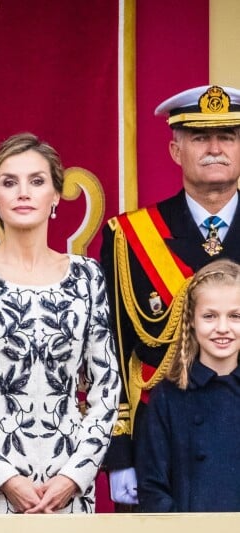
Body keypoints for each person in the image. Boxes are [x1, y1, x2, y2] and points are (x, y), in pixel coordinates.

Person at [0, 132, 121, 514]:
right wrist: (3, 477)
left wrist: (75, 476)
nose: (23, 193)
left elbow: (108, 390)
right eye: (9, 182)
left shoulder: (87, 276)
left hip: (67, 484)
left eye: (37, 181)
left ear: (55, 197)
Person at [100, 84, 240, 507]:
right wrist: (119, 452)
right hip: (161, 443)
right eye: (199, 137)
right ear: (176, 151)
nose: (214, 149)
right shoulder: (131, 236)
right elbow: (112, 347)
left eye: (228, 137)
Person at [136, 258, 240, 511]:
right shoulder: (169, 396)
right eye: (210, 316)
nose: (222, 328)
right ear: (191, 320)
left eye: (235, 316)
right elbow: (152, 486)